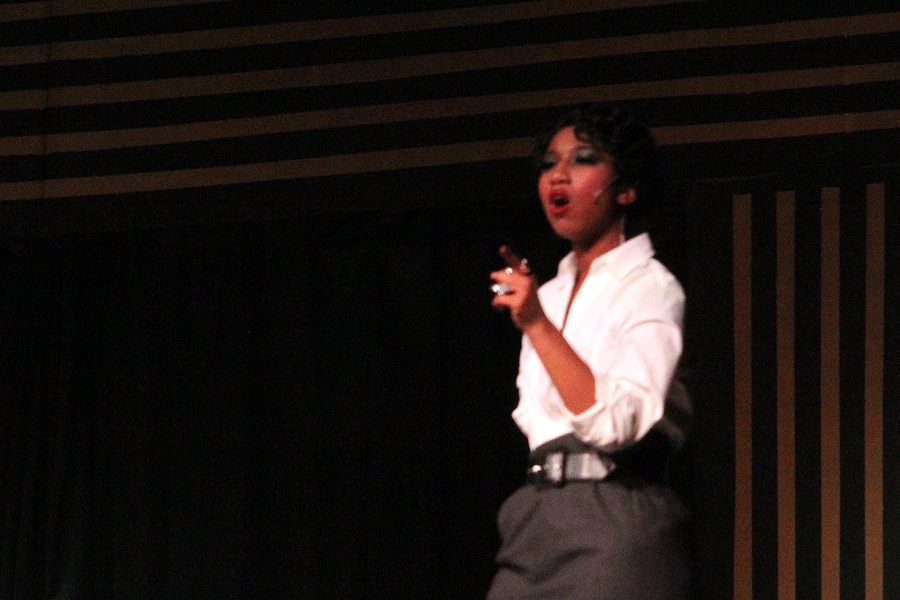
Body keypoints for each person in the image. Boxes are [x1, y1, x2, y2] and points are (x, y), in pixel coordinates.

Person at [486, 103, 693, 600]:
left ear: (625, 188)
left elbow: (613, 424)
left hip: (614, 516)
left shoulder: (649, 286)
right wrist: (538, 316)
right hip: (534, 516)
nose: (558, 174)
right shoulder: (549, 294)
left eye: (582, 159)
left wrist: (535, 324)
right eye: (549, 163)